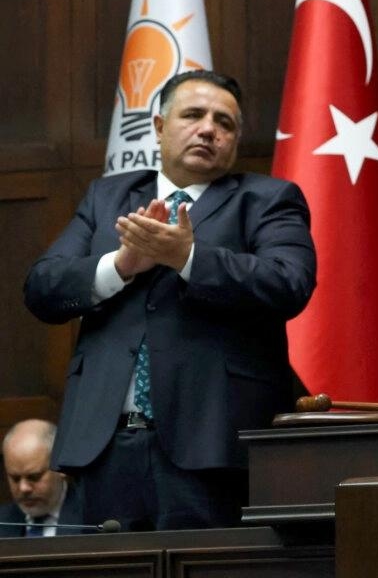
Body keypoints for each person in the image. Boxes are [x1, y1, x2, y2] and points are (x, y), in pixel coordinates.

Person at [23, 70, 317, 530]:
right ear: (160, 127)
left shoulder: (266, 199)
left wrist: (188, 258)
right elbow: (42, 288)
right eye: (193, 115)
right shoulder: (107, 197)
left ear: (235, 140)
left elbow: (289, 282)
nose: (208, 129)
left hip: (211, 446)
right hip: (103, 448)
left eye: (224, 122)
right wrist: (120, 265)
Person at [1, 419, 84, 537]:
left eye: (34, 477)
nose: (24, 488)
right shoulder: (3, 521)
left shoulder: (92, 517)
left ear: (60, 468)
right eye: (15, 478)